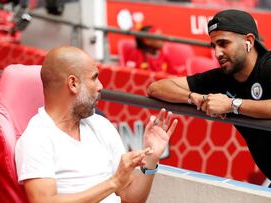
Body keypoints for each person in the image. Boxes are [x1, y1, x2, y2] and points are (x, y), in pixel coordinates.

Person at [147, 9, 271, 201]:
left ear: (248, 41)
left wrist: (232, 104)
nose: (217, 53)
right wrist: (194, 97)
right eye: (213, 45)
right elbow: (155, 88)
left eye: (223, 43)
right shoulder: (222, 77)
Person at [15, 46, 178, 203]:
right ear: (73, 84)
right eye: (94, 77)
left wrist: (151, 158)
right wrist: (113, 183)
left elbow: (131, 197)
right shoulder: (36, 138)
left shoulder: (101, 125)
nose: (100, 86)